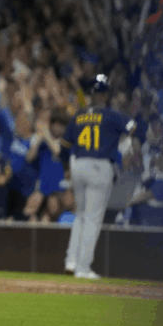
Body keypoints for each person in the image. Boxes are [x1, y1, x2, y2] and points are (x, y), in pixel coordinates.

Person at [60, 74, 136, 279]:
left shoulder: (79, 115)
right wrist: (123, 140)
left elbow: (64, 146)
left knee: (81, 215)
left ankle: (71, 260)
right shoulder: (111, 115)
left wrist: (66, 165)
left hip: (78, 164)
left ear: (92, 95)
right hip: (100, 165)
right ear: (105, 95)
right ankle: (83, 268)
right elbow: (133, 127)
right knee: (93, 218)